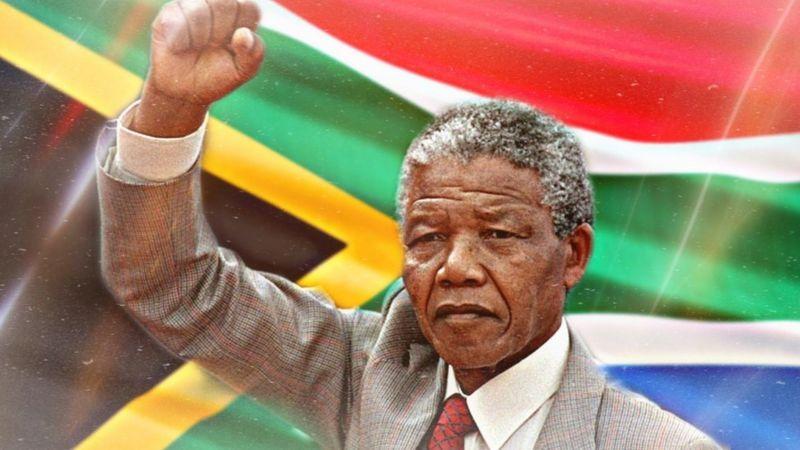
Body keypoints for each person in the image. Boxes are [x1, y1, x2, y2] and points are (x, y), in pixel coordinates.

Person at [97, 1, 719, 448]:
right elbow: (172, 286)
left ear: (572, 254)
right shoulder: (366, 371)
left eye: (498, 235)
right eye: (428, 238)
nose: (456, 268)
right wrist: (171, 109)